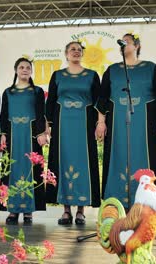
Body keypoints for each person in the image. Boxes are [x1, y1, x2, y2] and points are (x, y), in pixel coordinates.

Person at [100, 32, 156, 210]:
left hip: (144, 126)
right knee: (118, 158)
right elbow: (102, 99)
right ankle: (116, 205)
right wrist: (101, 122)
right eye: (121, 42)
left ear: (137, 46)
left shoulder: (152, 68)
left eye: (127, 41)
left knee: (146, 158)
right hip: (117, 126)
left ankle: (147, 205)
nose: (123, 44)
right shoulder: (112, 70)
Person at [45, 41, 105, 225]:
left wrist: (100, 123)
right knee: (62, 162)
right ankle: (65, 210)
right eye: (73, 49)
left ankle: (80, 211)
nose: (76, 52)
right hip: (63, 125)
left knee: (83, 162)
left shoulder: (92, 75)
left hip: (84, 125)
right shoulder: (57, 75)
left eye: (79, 50)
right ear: (66, 53)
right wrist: (48, 126)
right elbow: (51, 102)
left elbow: (99, 102)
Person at [0, 56, 47, 225]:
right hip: (13, 136)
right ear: (16, 70)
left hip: (31, 136)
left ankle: (28, 210)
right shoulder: (8, 92)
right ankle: (12, 210)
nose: (25, 70)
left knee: (30, 170)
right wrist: (3, 134)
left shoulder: (38, 91)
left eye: (27, 67)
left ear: (31, 71)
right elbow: (3, 115)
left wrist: (42, 133)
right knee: (11, 169)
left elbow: (41, 113)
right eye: (21, 67)